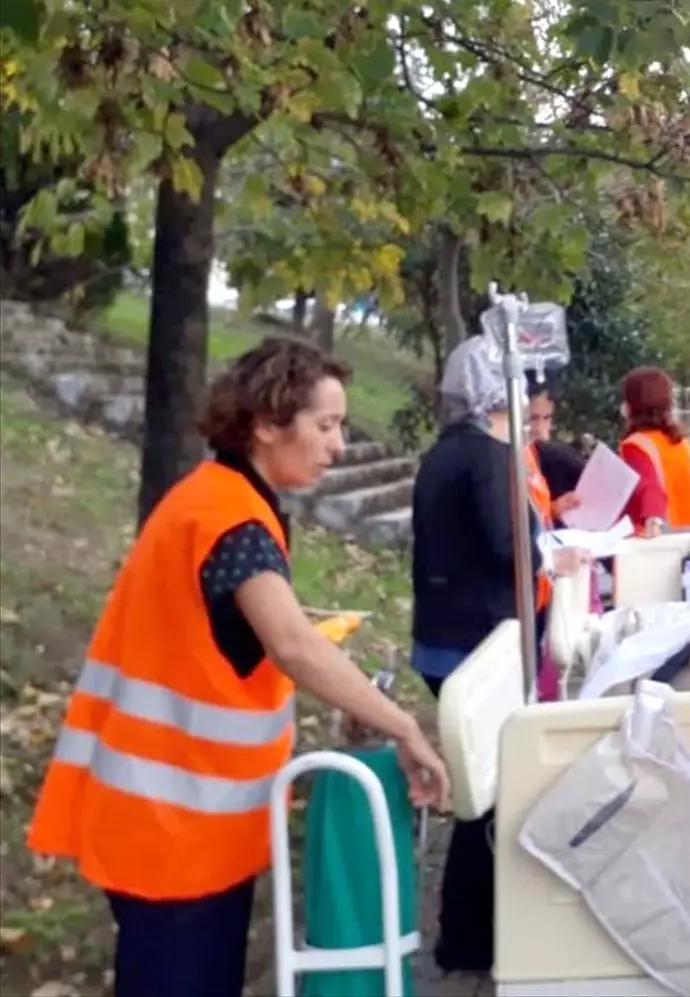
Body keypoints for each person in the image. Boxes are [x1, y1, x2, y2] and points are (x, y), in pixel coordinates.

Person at [26, 338, 450, 997]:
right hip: (171, 833)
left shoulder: (218, 501)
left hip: (176, 827)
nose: (338, 446)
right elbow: (293, 646)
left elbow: (247, 638)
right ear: (266, 423)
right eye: (325, 425)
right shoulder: (232, 520)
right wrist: (403, 726)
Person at [410, 336, 583, 973]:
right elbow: (504, 541)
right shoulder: (487, 457)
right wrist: (550, 557)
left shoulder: (446, 453)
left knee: (482, 788)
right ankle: (468, 939)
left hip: (445, 638)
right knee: (486, 794)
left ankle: (470, 933)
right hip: (475, 645)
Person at [618, 366, 690, 537]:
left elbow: (649, 487)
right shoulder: (680, 443)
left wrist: (652, 518)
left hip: (653, 539)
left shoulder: (635, 445)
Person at [528, 381, 585, 515]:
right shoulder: (506, 456)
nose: (540, 427)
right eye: (533, 418)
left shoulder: (559, 457)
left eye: (546, 418)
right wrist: (553, 510)